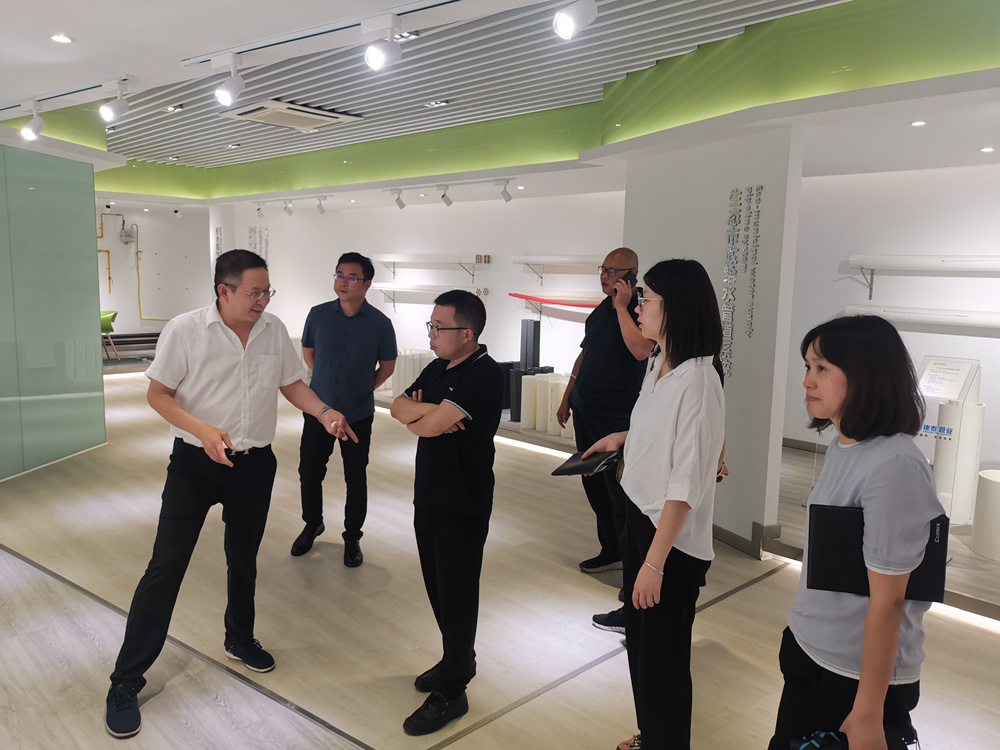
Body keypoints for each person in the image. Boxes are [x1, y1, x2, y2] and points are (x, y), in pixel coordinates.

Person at [104, 250, 356, 739]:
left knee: (244, 559)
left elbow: (291, 383)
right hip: (195, 465)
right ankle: (125, 681)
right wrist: (203, 430)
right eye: (254, 293)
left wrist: (324, 411)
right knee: (165, 567)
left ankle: (239, 638)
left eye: (267, 292)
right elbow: (158, 394)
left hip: (253, 465)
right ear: (224, 290)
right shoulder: (185, 329)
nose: (263, 301)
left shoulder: (273, 330)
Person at [768, 315, 944, 750]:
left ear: (865, 375)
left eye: (822, 368)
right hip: (810, 651)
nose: (807, 380)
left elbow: (889, 601)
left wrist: (867, 712)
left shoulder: (894, 465)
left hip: (852, 678)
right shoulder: (844, 447)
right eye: (807, 366)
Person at [583, 259, 725, 750]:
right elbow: (658, 429)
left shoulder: (700, 381)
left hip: (670, 543)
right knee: (642, 650)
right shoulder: (659, 362)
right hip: (642, 522)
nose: (637, 306)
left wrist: (653, 563)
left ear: (676, 309)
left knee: (663, 663)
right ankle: (652, 736)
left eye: (646, 299)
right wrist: (621, 439)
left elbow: (686, 484)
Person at [389, 290, 503, 736]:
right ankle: (457, 658)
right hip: (429, 494)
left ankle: (454, 690)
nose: (431, 335)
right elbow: (397, 408)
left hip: (463, 500)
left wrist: (426, 418)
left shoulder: (485, 374)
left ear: (467, 333)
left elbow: (430, 425)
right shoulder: (438, 368)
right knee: (437, 586)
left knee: (457, 593)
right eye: (431, 326)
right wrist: (428, 413)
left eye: (439, 327)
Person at [555, 247, 652, 635]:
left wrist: (622, 307)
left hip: (616, 416)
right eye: (603, 270)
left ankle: (631, 574)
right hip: (587, 410)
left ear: (632, 274)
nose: (605, 276)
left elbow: (641, 350)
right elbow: (586, 354)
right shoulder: (601, 308)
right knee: (593, 484)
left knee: (620, 495)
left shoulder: (637, 307)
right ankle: (610, 550)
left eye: (613, 271)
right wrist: (567, 394)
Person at [291, 252, 396, 567]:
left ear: (367, 283)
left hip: (357, 413)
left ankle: (352, 537)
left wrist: (361, 389)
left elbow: (387, 366)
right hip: (319, 410)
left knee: (355, 476)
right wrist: (325, 386)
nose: (343, 282)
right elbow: (309, 352)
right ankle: (313, 523)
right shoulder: (318, 314)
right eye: (339, 274)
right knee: (310, 471)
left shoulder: (380, 324)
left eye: (351, 277)